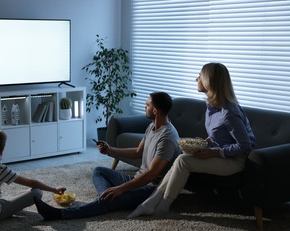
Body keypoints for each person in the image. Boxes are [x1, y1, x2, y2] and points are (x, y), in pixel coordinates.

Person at [128, 62, 256, 219]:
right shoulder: (211, 107)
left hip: (235, 160)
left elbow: (245, 146)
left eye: (200, 76)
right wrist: (205, 142)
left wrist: (215, 153)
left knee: (183, 161)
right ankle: (150, 203)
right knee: (180, 159)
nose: (196, 79)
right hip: (221, 154)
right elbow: (219, 135)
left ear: (209, 81)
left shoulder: (229, 112)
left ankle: (162, 206)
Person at [33, 92, 181, 220]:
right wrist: (110, 150)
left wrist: (120, 189)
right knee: (99, 171)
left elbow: (151, 175)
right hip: (137, 179)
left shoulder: (167, 137)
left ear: (155, 111)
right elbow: (137, 152)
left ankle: (60, 214)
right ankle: (106, 198)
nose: (144, 107)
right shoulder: (152, 126)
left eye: (147, 105)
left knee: (112, 198)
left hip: (151, 189)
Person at [0, 128, 66, 224]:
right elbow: (32, 183)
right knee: (37, 192)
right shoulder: (0, 169)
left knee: (4, 199)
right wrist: (54, 190)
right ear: (1, 152)